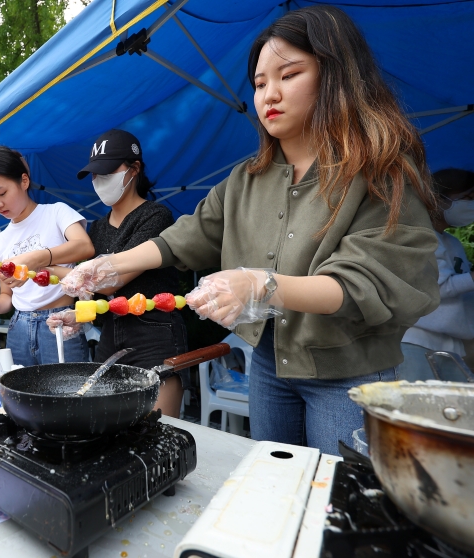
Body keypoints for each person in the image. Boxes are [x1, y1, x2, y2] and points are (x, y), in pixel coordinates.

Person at [59, 6, 440, 455]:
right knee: (275, 487)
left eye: (289, 74)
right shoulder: (247, 178)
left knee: (335, 503)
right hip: (268, 363)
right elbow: (184, 237)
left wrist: (260, 283)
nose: (268, 95)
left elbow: (363, 283)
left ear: (335, 75)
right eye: (259, 84)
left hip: (348, 370)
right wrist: (107, 266)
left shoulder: (382, 170)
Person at [46, 129, 188, 417]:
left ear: (134, 169)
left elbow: (112, 280)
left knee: (158, 431)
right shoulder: (96, 229)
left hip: (156, 333)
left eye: (107, 172)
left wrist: (44, 263)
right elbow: (97, 296)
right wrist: (78, 315)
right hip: (111, 335)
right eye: (95, 175)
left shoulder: (156, 216)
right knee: (109, 427)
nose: (99, 182)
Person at [0, 146, 95, 364]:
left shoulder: (56, 212)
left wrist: (36, 258)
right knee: (23, 396)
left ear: (24, 181)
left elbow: (84, 246)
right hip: (19, 326)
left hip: (60, 319)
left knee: (66, 393)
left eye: (2, 193)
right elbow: (7, 295)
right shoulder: (0, 241)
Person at [400, 168, 474, 381]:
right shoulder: (418, 238)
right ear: (437, 199)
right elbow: (434, 288)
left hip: (452, 345)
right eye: (468, 198)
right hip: (416, 343)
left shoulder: (453, 243)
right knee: (416, 412)